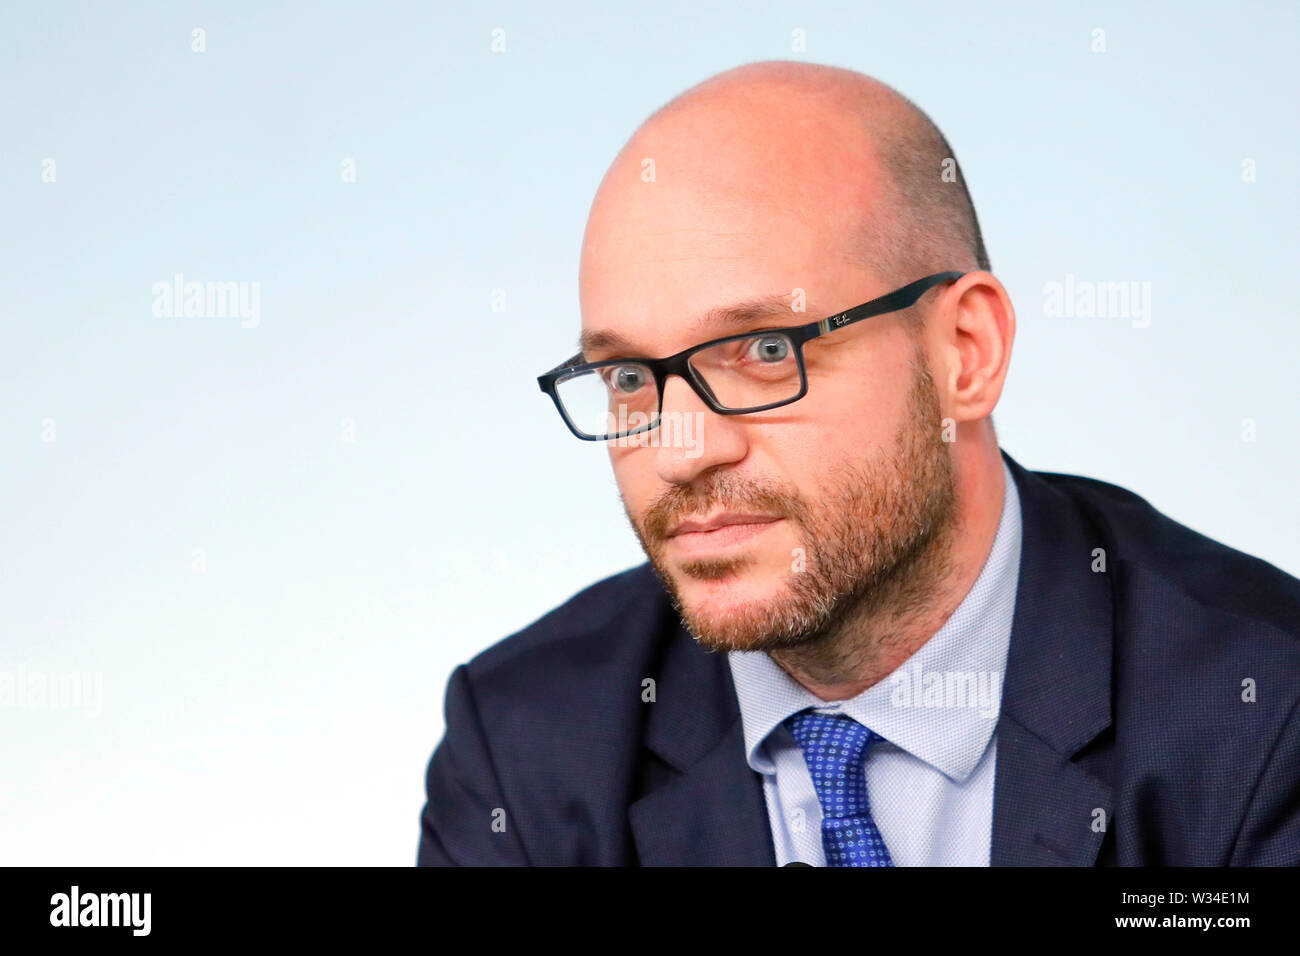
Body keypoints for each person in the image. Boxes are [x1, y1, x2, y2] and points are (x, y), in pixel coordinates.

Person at [418, 61, 1300, 866]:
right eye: (628, 378)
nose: (680, 451)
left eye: (763, 350)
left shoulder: (1262, 715)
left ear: (966, 351)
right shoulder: (523, 753)